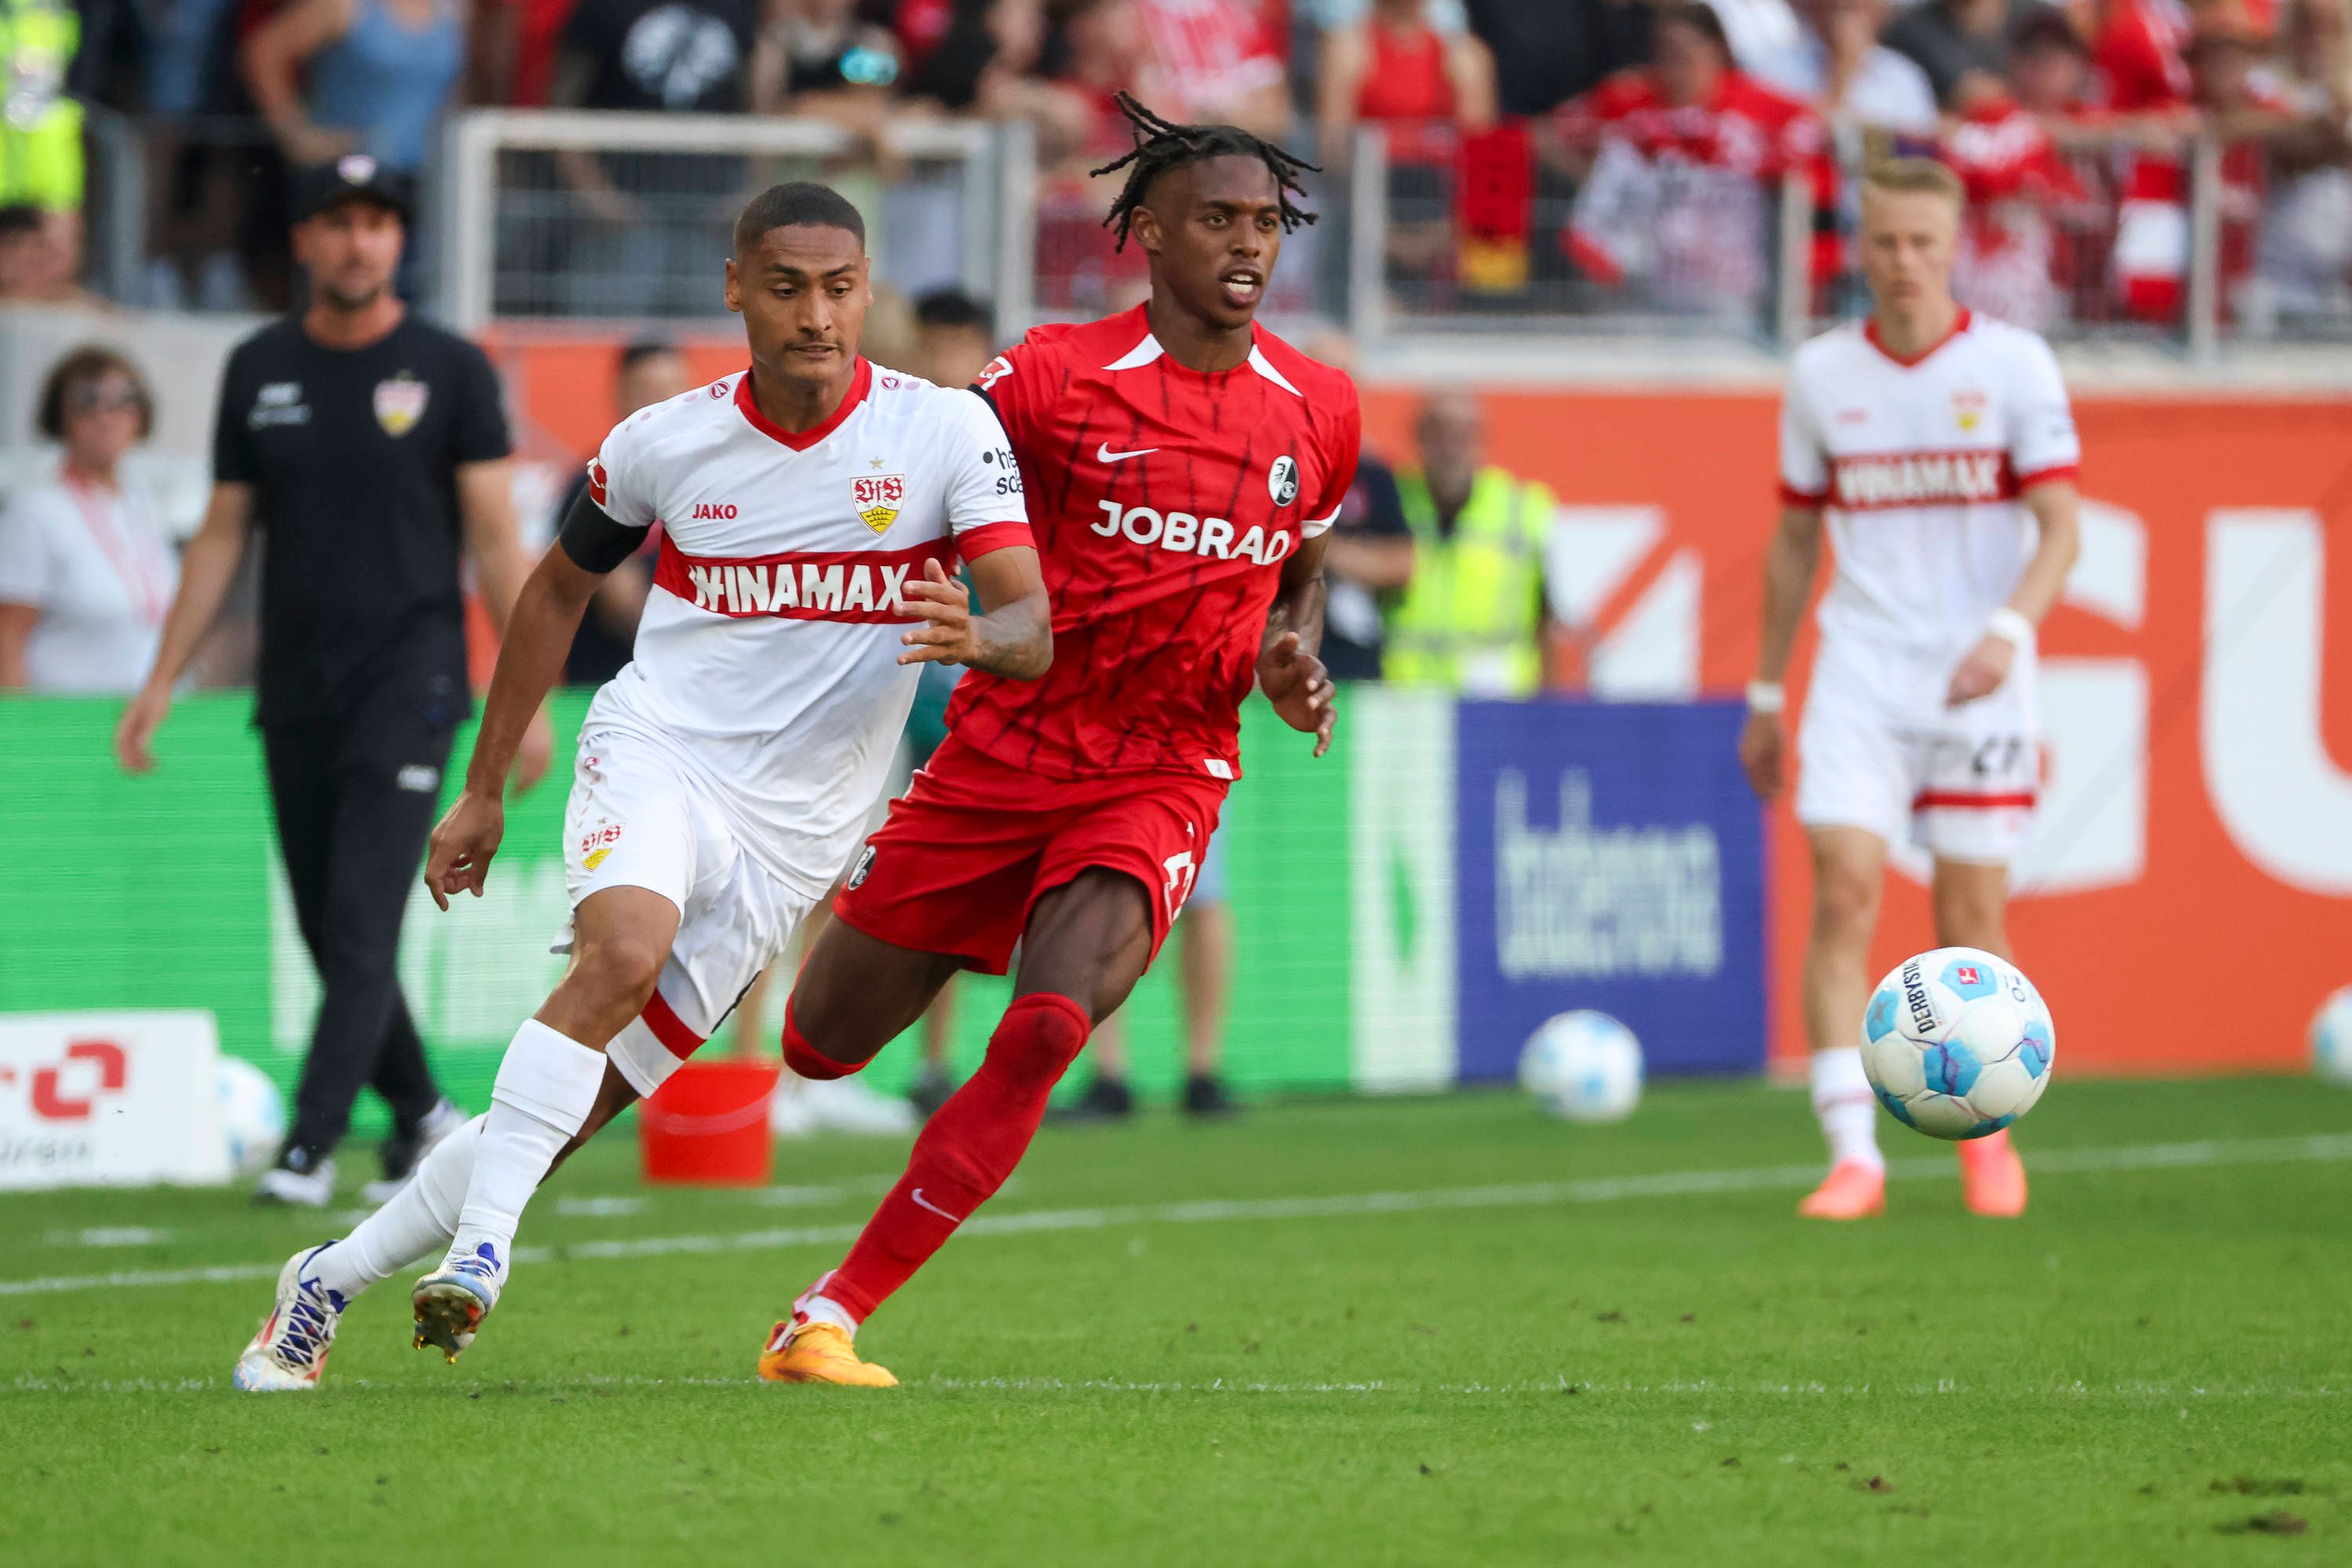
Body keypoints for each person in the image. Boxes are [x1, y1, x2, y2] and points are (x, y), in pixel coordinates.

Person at [224, 181, 1050, 1390]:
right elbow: (555, 588)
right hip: (661, 747)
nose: (814, 317)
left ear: (867, 292)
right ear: (736, 290)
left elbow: (1033, 618)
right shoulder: (666, 441)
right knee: (614, 957)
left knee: (558, 1123)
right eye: (785, 288)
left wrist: (983, 636)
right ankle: (486, 1257)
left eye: (837, 290)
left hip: (794, 839)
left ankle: (326, 1283)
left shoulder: (945, 433)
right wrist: (486, 785)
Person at [758, 92, 1358, 1387]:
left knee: (1044, 1027)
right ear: (1146, 229)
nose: (1248, 246)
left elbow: (1294, 567)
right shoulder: (1046, 380)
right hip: (1002, 752)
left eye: (1266, 221)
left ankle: (827, 1314)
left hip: (1163, 769)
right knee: (820, 1041)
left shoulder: (1319, 411)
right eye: (1217, 220)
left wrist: (1288, 657)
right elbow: (911, 484)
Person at [115, 157, 553, 1208]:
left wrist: (517, 705)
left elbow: (496, 543)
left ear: (398, 241)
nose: (360, 242)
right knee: (326, 926)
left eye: (378, 223)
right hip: (297, 684)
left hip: (412, 682)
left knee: (359, 922)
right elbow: (223, 535)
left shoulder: (448, 368)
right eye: (337, 224)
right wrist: (162, 676)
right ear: (304, 242)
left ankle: (308, 1150)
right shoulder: (257, 365)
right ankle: (422, 1115)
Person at [1740, 157, 2080, 1222]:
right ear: (1861, 243)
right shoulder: (1823, 374)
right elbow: (1796, 539)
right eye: (1885, 241)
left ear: (1955, 244)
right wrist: (1764, 693)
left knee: (1969, 915)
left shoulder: (2015, 366)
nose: (1903, 262)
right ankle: (1855, 1156)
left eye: (1924, 243)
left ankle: (1988, 1140)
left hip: (1980, 680)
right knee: (1842, 894)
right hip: (1860, 672)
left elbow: (2061, 526)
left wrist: (2009, 631)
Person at [0, 348, 174, 691]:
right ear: (62, 416)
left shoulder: (143, 508)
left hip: (141, 719)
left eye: (125, 400)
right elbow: (9, 636)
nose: (107, 416)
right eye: (88, 401)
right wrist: (15, 735)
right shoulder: (36, 510)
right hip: (66, 725)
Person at [1381, 388, 1553, 696]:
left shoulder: (1524, 509)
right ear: (1419, 438)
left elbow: (1550, 622)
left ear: (1482, 439)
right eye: (1441, 434)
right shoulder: (1392, 500)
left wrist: (1549, 714)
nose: (1452, 448)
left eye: (1464, 434)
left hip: (1499, 703)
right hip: (1407, 703)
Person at [558, 339, 691, 688]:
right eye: (650, 392)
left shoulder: (707, 483)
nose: (665, 406)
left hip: (690, 694)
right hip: (609, 690)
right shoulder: (595, 482)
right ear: (620, 396)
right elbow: (622, 602)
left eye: (674, 391)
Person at [239, 0, 466, 176]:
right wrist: (295, 134)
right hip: (352, 177)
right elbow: (264, 53)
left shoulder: (453, 12)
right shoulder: (347, 5)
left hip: (428, 178)